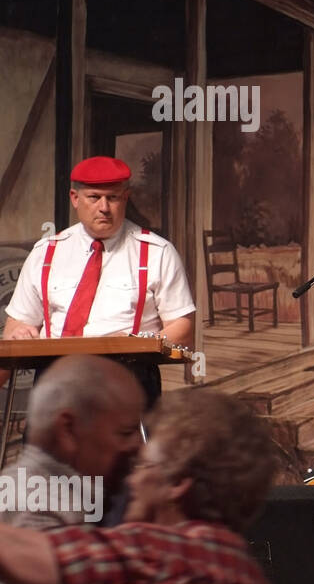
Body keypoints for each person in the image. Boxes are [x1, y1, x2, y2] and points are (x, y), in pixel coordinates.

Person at [0, 386, 284, 584]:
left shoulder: (162, 548)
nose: (131, 481)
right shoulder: (248, 576)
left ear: (176, 484)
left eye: (141, 465)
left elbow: (28, 566)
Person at [3, 156, 196, 403]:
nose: (104, 207)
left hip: (128, 381)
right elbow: (13, 330)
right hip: (54, 381)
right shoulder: (45, 252)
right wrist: (21, 335)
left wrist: (142, 345)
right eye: (94, 197)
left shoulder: (157, 252)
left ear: (125, 197)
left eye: (113, 197)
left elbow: (183, 329)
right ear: (75, 198)